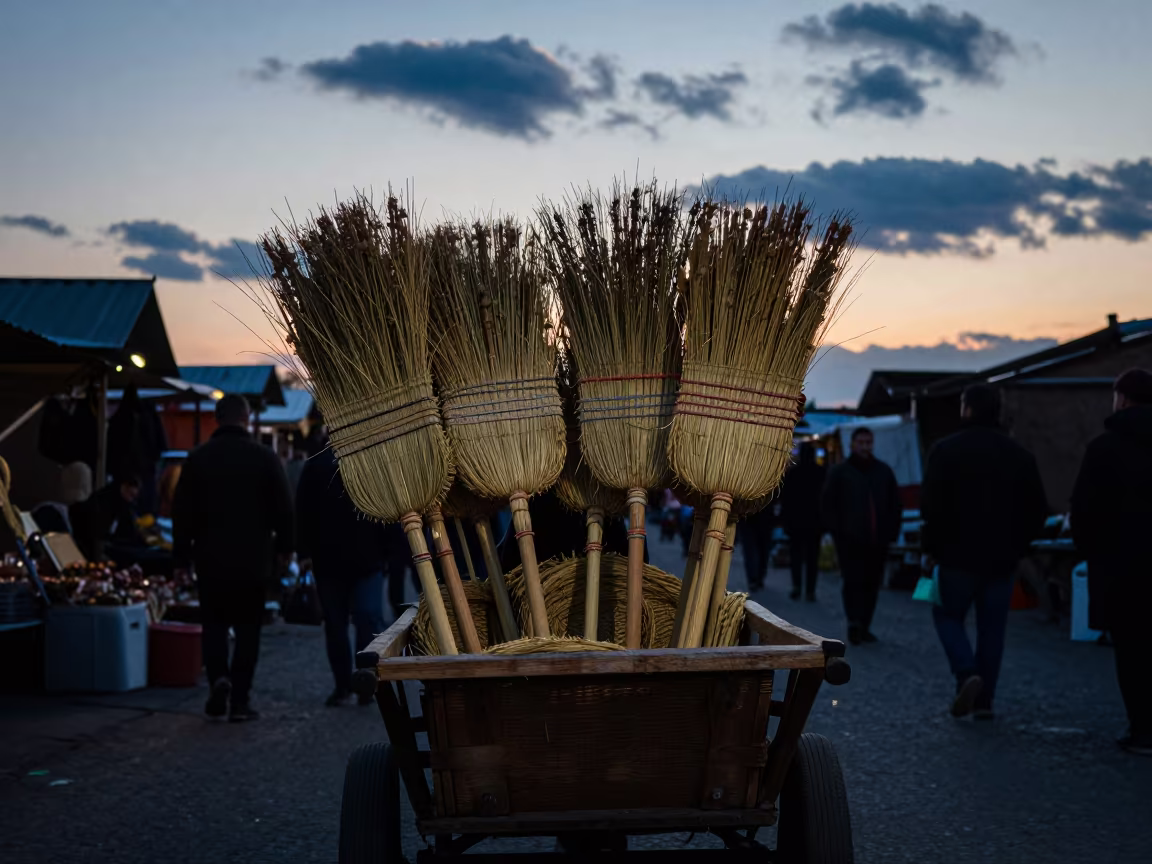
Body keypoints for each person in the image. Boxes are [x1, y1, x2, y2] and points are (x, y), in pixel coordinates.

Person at [921, 385, 1048, 719]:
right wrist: (1020, 546)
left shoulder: (945, 451)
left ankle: (966, 673)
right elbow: (1038, 511)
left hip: (955, 557)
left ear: (967, 409)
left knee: (947, 615)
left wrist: (930, 549)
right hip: (1003, 560)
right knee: (993, 630)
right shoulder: (1019, 455)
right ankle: (985, 701)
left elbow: (932, 508)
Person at [172, 394, 294, 723]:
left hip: (210, 560)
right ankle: (240, 700)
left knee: (213, 624)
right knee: (247, 630)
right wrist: (285, 549)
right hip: (254, 562)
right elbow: (284, 509)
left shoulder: (198, 459)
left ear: (216, 418)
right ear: (246, 419)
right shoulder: (264, 457)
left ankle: (219, 680)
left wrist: (181, 560)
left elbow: (181, 514)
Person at [1071, 368, 1152, 756]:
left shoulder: (1104, 448)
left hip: (1122, 569)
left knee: (1132, 648)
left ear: (1122, 398)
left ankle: (1143, 729)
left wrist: (1088, 552)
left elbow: (1084, 509)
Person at [296, 444, 390, 707]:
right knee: (364, 621)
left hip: (336, 560)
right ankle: (360, 681)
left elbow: (302, 510)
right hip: (360, 559)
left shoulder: (318, 463)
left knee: (344, 624)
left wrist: (304, 552)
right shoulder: (370, 461)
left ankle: (351, 684)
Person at [821, 427, 902, 645]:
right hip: (849, 540)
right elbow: (828, 504)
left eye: (869, 442)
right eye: (861, 442)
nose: (866, 447)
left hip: (878, 540)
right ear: (853, 445)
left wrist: (892, 531)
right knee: (852, 581)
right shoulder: (840, 472)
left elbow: (894, 504)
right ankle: (853, 622)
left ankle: (865, 624)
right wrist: (837, 531)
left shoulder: (883, 472)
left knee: (872, 583)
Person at [779, 442, 826, 601]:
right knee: (812, 558)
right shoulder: (821, 473)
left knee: (796, 556)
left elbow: (785, 500)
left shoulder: (793, 474)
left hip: (796, 523)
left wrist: (785, 521)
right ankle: (810, 590)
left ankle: (797, 586)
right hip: (815, 522)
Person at [69, 473, 144, 561]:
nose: (131, 499)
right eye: (130, 494)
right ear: (124, 487)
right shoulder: (106, 501)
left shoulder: (122, 504)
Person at [738, 502, 775, 593]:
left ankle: (755, 577)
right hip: (755, 513)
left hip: (754, 512)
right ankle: (756, 577)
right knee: (757, 547)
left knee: (754, 548)